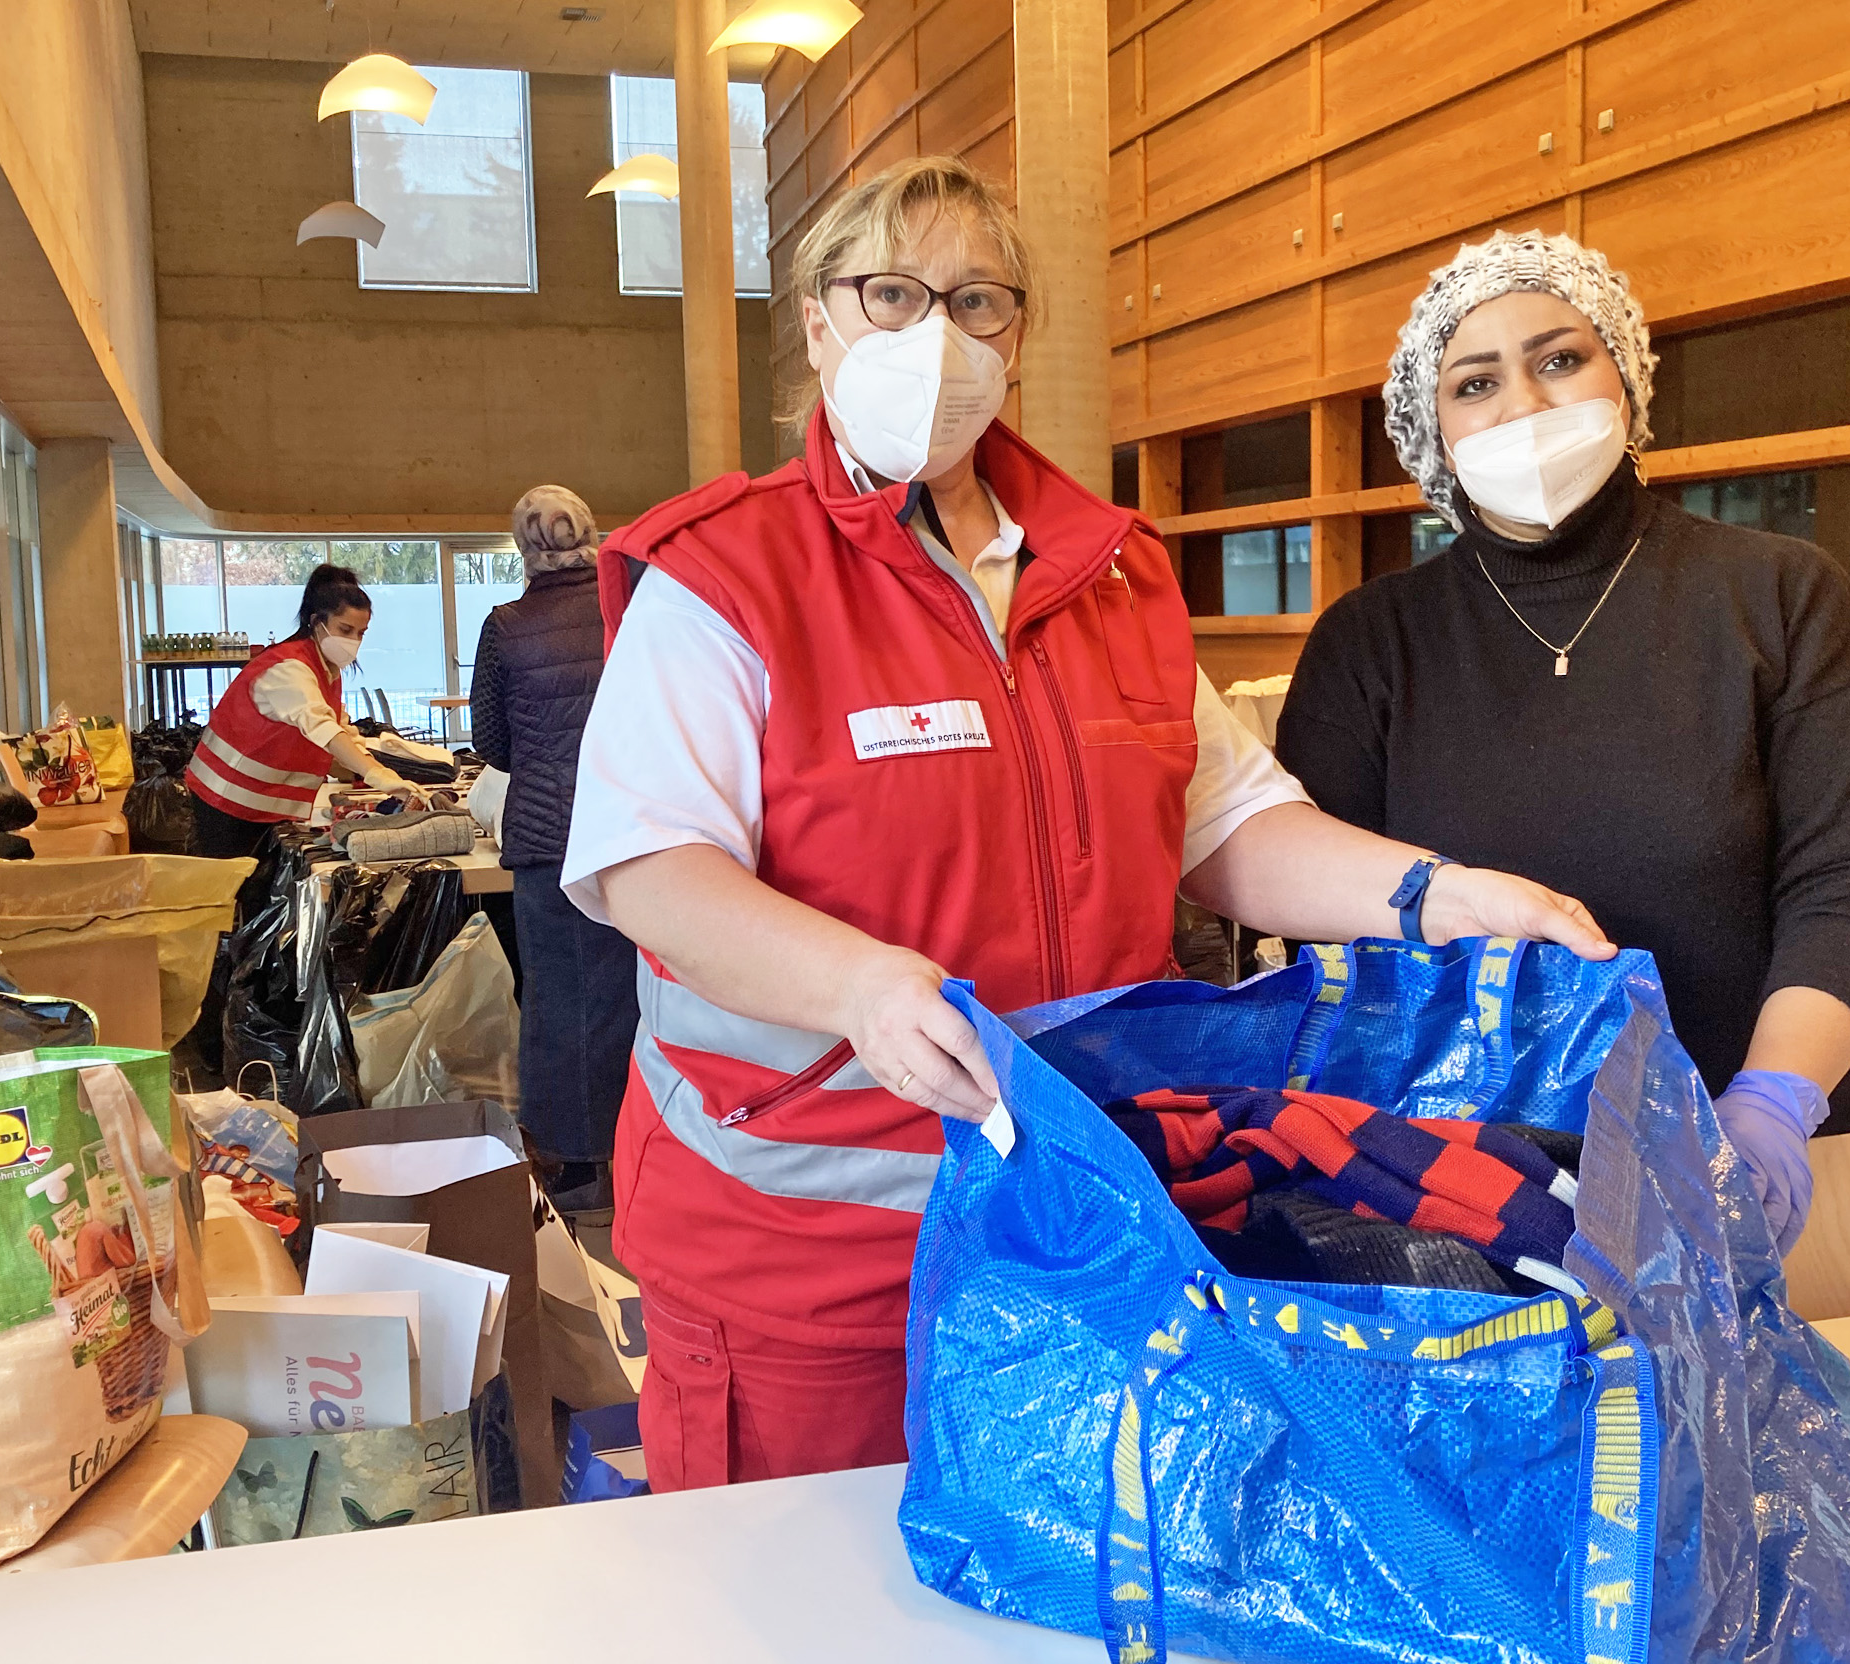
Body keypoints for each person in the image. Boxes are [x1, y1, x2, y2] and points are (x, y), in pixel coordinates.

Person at [560, 156, 1617, 1493]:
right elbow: (650, 870)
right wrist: (860, 988)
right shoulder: (729, 576)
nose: (935, 334)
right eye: (891, 292)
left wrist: (1435, 895)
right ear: (819, 323)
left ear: (1018, 339)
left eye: (978, 301)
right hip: (812, 1264)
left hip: (1079, 1223)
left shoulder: (1106, 574)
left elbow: (1229, 821)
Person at [1276, 230, 1850, 1258]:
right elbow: (1333, 923)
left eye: (1560, 359)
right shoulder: (1372, 643)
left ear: (1622, 373)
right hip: (1469, 1201)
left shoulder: (1780, 597)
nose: (1526, 406)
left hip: (1754, 1174)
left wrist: (1769, 1101)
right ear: (1430, 428)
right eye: (1476, 382)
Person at [469, 486, 638, 1216]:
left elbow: (491, 745)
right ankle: (639, 1151)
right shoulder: (625, 612)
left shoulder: (507, 626)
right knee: (638, 995)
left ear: (523, 548)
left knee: (558, 1003)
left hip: (547, 837)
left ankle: (573, 1168)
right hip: (634, 832)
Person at [185, 563, 417, 862]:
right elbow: (323, 729)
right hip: (226, 799)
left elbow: (340, 730)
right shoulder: (290, 669)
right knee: (236, 895)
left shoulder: (326, 670)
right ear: (317, 622)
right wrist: (377, 775)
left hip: (261, 803)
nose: (354, 641)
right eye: (345, 630)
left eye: (361, 633)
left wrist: (375, 766)